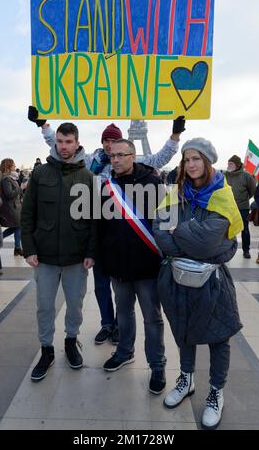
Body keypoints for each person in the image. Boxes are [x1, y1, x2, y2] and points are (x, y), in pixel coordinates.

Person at [28, 105, 185, 345]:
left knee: (122, 294)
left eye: (114, 141)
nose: (110, 146)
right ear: (102, 144)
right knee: (101, 286)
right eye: (106, 141)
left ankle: (121, 331)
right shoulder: (91, 161)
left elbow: (160, 158)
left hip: (124, 232)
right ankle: (107, 324)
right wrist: (44, 126)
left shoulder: (130, 160)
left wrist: (175, 136)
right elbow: (60, 147)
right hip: (99, 233)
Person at [153, 138, 243, 429]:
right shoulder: (175, 193)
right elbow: (160, 233)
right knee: (184, 330)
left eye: (197, 158)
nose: (191, 164)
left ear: (208, 161)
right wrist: (192, 238)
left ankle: (216, 392)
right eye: (186, 159)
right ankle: (187, 378)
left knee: (219, 337)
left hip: (212, 282)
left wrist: (178, 228)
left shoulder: (223, 196)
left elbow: (207, 244)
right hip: (179, 279)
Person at [21, 122, 97, 381]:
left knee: (75, 306)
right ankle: (46, 350)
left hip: (77, 258)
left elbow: (93, 219)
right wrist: (28, 248)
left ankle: (70, 341)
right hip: (45, 256)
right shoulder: (40, 173)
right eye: (60, 142)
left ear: (77, 143)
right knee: (44, 306)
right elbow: (28, 213)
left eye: (69, 142)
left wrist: (91, 251)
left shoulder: (87, 177)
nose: (64, 147)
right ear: (56, 143)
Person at [100, 138, 167, 395]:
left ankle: (157, 365)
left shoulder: (153, 183)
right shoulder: (108, 186)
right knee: (124, 313)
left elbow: (164, 224)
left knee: (152, 317)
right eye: (112, 156)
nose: (115, 160)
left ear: (133, 155)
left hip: (147, 265)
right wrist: (101, 256)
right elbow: (101, 225)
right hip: (118, 265)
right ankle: (125, 351)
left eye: (120, 155)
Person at [225, 155, 256, 258]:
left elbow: (252, 191)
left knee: (245, 230)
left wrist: (244, 200)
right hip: (227, 208)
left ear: (237, 165)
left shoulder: (247, 176)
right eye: (228, 163)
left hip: (242, 208)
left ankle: (246, 250)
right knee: (226, 229)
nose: (229, 165)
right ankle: (226, 250)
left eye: (231, 164)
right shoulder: (225, 175)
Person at [0, 159, 23, 256]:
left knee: (16, 227)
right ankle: (17, 247)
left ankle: (17, 248)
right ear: (8, 167)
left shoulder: (9, 178)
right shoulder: (6, 179)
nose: (15, 166)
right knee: (18, 226)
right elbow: (9, 194)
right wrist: (20, 187)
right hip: (10, 208)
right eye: (13, 165)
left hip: (14, 207)